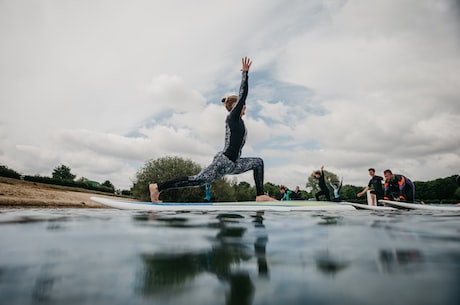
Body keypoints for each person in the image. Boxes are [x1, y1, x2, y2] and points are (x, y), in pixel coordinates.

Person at [149, 57, 274, 202]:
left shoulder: (239, 121)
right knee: (197, 180)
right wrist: (245, 74)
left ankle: (260, 195)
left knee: (258, 162)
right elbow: (243, 94)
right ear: (234, 105)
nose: (244, 106)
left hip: (235, 163)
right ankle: (157, 187)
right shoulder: (232, 117)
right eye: (241, 105)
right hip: (224, 162)